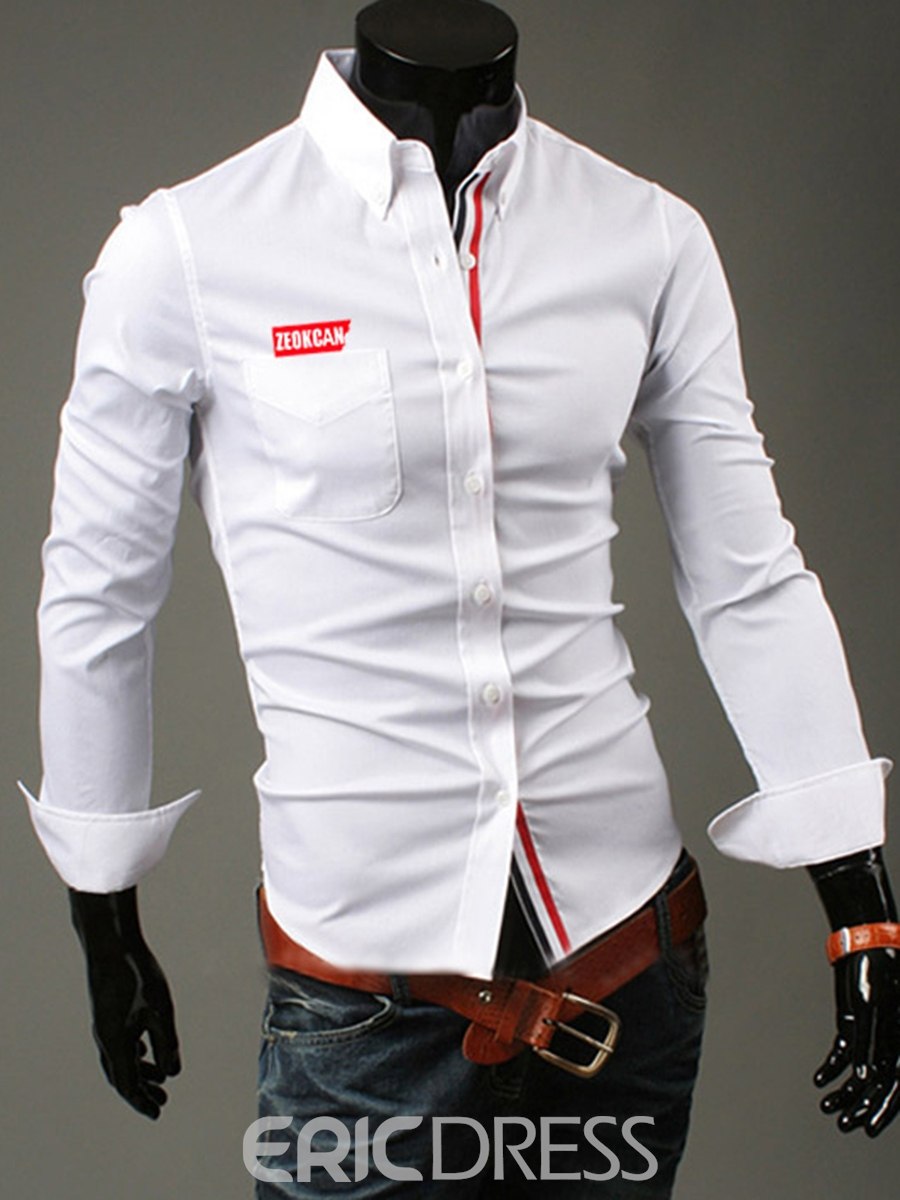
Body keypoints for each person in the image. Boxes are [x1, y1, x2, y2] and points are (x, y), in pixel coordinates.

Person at [19, 1, 899, 1195]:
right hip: (363, 1005)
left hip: (629, 977)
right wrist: (103, 915)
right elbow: (97, 594)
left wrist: (859, 897)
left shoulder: (644, 234)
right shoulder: (186, 248)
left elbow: (750, 576)